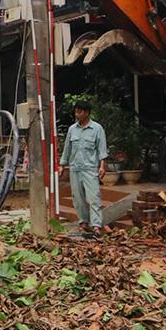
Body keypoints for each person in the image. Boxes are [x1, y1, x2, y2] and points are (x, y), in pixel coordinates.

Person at [60, 101, 108, 235]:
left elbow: (102, 149)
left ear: (87, 113)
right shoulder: (72, 129)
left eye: (80, 111)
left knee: (94, 197)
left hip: (90, 168)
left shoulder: (97, 129)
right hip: (75, 168)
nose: (77, 114)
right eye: (76, 111)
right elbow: (67, 149)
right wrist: (62, 165)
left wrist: (102, 166)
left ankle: (96, 225)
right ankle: (83, 222)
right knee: (78, 198)